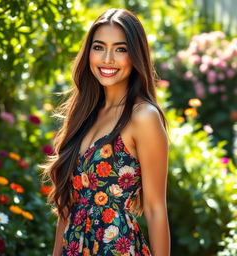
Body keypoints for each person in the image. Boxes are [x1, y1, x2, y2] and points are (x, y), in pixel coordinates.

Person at [41, 8, 170, 256]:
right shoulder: (84, 114)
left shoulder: (143, 116)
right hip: (74, 247)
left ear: (135, 56)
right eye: (99, 47)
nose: (107, 58)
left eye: (120, 49)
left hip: (115, 247)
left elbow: (155, 209)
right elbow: (67, 206)